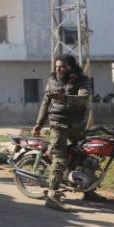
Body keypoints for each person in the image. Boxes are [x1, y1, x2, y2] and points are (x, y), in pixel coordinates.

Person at [32, 54, 92, 211]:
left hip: (77, 124)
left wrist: (64, 98)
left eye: (63, 66)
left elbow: (83, 99)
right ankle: (52, 196)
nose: (59, 69)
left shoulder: (83, 80)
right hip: (58, 124)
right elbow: (45, 103)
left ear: (71, 67)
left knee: (85, 155)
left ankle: (89, 190)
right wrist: (38, 124)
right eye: (57, 66)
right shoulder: (52, 80)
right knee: (60, 159)